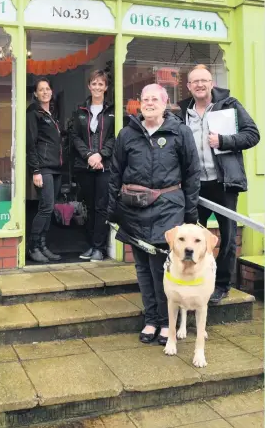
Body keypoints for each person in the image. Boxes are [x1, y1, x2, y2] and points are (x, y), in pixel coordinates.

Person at [107, 83, 200, 345]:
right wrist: (112, 209)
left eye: (154, 99)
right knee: (142, 268)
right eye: (145, 99)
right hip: (133, 209)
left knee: (162, 268)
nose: (149, 103)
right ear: (139, 103)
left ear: (165, 101)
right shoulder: (127, 134)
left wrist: (190, 214)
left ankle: (165, 322)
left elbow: (192, 173)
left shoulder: (180, 132)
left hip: (168, 209)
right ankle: (150, 319)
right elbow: (115, 172)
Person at [178, 64, 260, 304]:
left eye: (204, 80)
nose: (200, 85)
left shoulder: (229, 105)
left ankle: (222, 285)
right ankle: (198, 280)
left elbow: (252, 134)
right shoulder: (182, 112)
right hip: (195, 184)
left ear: (211, 82)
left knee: (227, 235)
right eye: (195, 81)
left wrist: (223, 141)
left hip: (224, 182)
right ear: (189, 86)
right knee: (195, 236)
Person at [71, 69, 115, 262]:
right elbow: (75, 136)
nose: (97, 87)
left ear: (106, 87)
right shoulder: (80, 110)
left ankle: (99, 248)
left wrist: (101, 155)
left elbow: (115, 137)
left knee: (101, 207)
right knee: (88, 207)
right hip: (84, 165)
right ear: (89, 86)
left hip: (105, 166)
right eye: (94, 83)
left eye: (101, 84)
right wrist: (89, 155)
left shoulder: (112, 111)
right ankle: (91, 245)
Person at [26, 77, 62, 263]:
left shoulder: (51, 113)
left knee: (49, 207)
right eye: (41, 89)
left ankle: (42, 245)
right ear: (35, 93)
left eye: (48, 89)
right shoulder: (33, 112)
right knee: (45, 207)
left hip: (55, 167)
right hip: (43, 167)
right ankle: (33, 247)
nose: (45, 92)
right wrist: (36, 170)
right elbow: (31, 144)